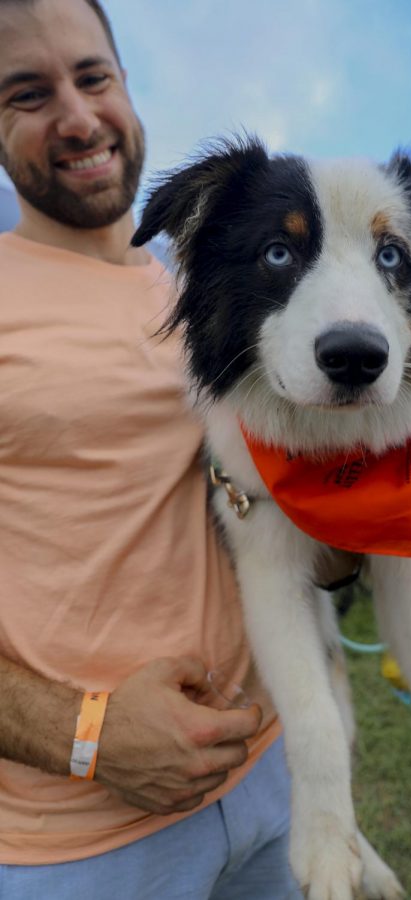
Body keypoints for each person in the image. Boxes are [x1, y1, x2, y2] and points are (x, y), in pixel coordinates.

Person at [0, 1, 356, 896]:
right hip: (80, 842)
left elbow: (265, 515)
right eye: (26, 93)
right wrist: (86, 734)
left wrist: (343, 540)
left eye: (92, 77)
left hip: (269, 780)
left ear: (125, 85)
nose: (78, 118)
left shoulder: (212, 291)